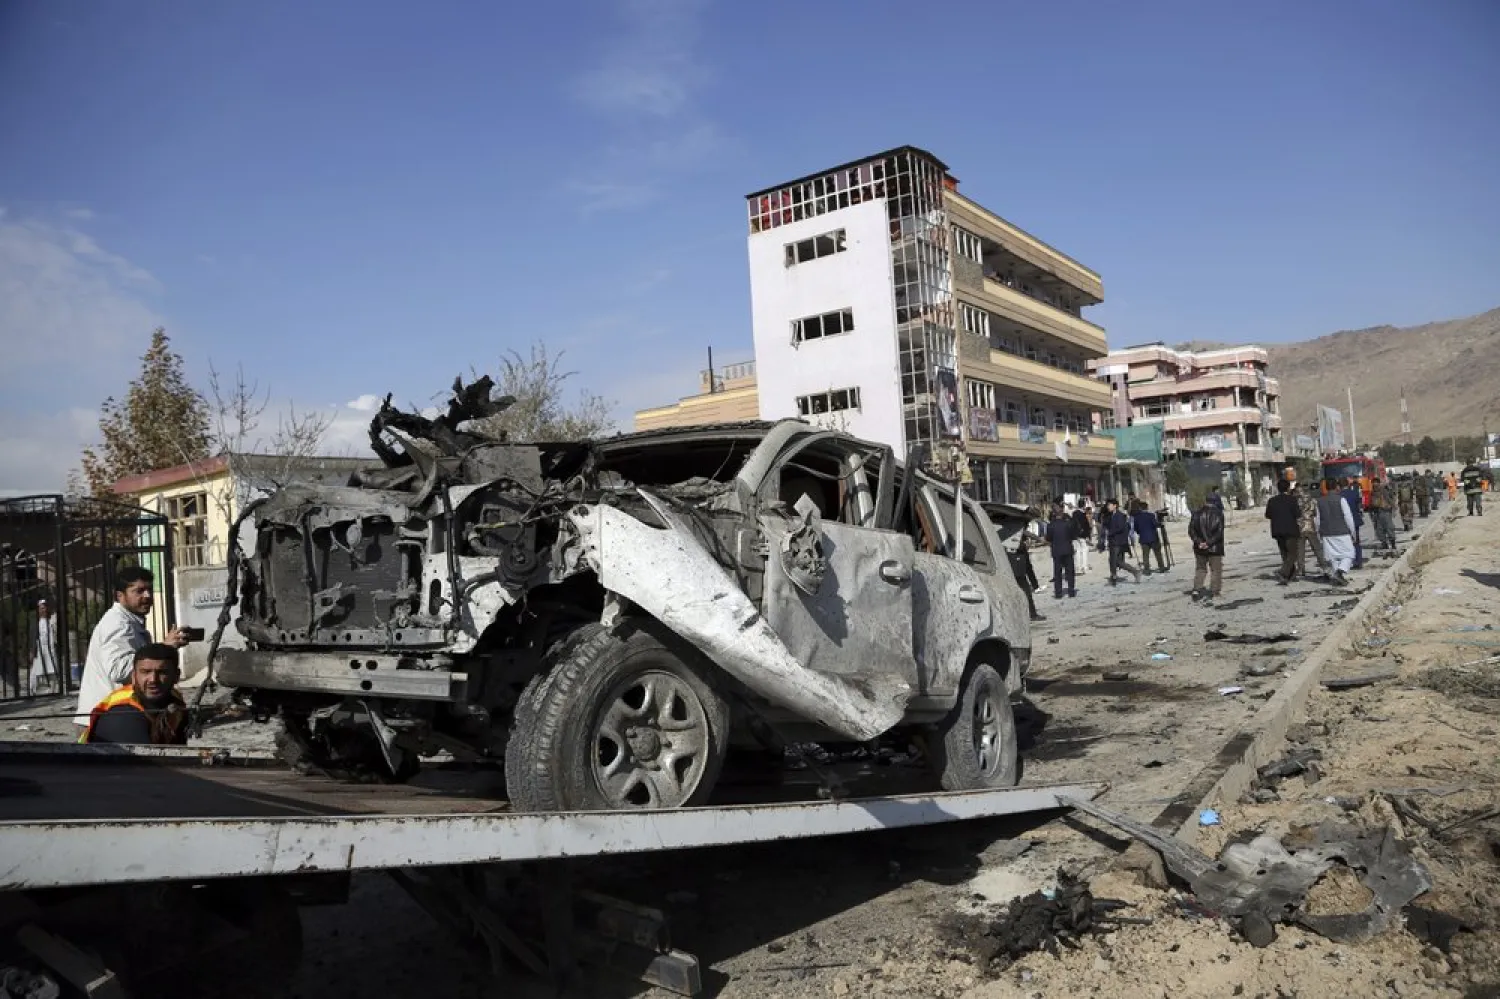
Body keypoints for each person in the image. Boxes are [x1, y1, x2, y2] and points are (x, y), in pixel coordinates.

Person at [73, 567, 189, 731]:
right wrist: (165, 648)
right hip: (104, 721)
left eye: (149, 589)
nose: (147, 596)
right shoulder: (118, 624)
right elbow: (119, 670)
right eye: (139, 591)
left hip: (114, 717)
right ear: (120, 595)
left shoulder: (130, 622)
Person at [80, 643, 188, 745]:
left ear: (176, 676)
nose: (153, 679)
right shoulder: (123, 714)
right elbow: (151, 760)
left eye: (162, 672)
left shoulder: (174, 700)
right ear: (134, 676)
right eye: (145, 672)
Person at [1315, 478, 1357, 585]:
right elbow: (1348, 517)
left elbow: (1317, 520)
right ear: (1336, 487)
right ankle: (1340, 572)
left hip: (1326, 532)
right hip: (1342, 531)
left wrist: (1319, 533)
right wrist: (1353, 533)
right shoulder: (1341, 500)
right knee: (1349, 554)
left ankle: (1337, 577)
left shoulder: (1319, 501)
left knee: (1332, 556)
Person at [1188, 492, 1225, 603]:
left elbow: (1191, 531)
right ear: (1215, 502)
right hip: (1214, 547)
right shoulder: (1219, 514)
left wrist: (1199, 542)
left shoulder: (1196, 514)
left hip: (1199, 547)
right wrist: (1209, 543)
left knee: (1200, 569)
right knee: (1215, 570)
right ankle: (1214, 591)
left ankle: (1197, 588)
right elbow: (1219, 532)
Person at [1264, 478, 1302, 584]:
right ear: (1288, 488)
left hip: (1277, 530)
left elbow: (1267, 515)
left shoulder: (1272, 500)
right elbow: (1298, 514)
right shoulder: (1292, 500)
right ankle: (1283, 572)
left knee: (1285, 553)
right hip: (1290, 530)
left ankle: (1291, 575)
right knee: (1293, 554)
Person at [1102, 499, 1141, 586]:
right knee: (1117, 561)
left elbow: (1120, 528)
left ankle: (1115, 577)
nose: (1108, 507)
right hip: (1114, 541)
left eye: (1110, 505)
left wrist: (1110, 532)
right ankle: (1134, 572)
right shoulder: (1111, 515)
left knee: (1114, 560)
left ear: (1115, 505)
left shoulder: (1119, 516)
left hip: (1118, 541)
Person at [1295, 483, 1329, 577]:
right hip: (1310, 526)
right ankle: (1324, 566)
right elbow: (1315, 514)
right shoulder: (1313, 500)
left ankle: (1301, 568)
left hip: (1299, 527)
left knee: (1300, 549)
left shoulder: (1296, 501)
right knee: (1317, 548)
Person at [1045, 502, 1077, 599]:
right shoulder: (1068, 524)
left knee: (1057, 573)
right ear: (1062, 512)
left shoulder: (1050, 525)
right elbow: (1073, 536)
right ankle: (1071, 591)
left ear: (1054, 514)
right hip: (1067, 549)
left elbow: (1049, 538)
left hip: (1057, 550)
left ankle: (1058, 593)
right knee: (1070, 571)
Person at [30, 598, 59, 696]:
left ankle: (52, 690)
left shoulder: (51, 622)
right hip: (40, 648)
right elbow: (33, 638)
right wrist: (32, 650)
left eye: (45, 608)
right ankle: (33, 690)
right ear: (39, 610)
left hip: (50, 648)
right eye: (41, 608)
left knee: (52, 668)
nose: (44, 610)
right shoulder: (36, 623)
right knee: (36, 669)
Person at [1131, 501, 1167, 574]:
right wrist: (1161, 524)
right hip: (1153, 537)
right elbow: (1155, 524)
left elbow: (1135, 528)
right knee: (1158, 553)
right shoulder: (1151, 515)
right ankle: (1161, 567)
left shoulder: (1136, 517)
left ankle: (1147, 570)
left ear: (1140, 508)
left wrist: (1140, 533)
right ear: (1147, 508)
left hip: (1143, 538)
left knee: (1145, 555)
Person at [1339, 477, 1366, 569]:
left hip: (1343, 522)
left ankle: (1347, 561)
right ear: (1348, 484)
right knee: (1356, 541)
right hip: (1355, 520)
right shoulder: (1354, 493)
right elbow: (1360, 504)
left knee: (1345, 542)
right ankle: (1358, 561)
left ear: (1339, 486)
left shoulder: (1339, 496)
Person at [1369, 476, 1398, 550]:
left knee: (1389, 528)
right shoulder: (1372, 492)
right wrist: (1371, 513)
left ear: (1379, 483)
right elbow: (1371, 504)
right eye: (1373, 483)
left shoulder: (1383, 490)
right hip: (1377, 513)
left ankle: (1393, 544)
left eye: (1376, 483)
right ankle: (1384, 544)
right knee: (1380, 530)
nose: (1375, 484)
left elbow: (1389, 499)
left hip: (1385, 512)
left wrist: (1394, 508)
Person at [1070, 503, 1093, 574]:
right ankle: (1084, 567)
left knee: (1077, 551)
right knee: (1085, 550)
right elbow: (1086, 526)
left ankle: (1078, 568)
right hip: (1082, 535)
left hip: (1075, 535)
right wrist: (1088, 536)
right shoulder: (1082, 514)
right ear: (1083, 506)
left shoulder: (1074, 513)